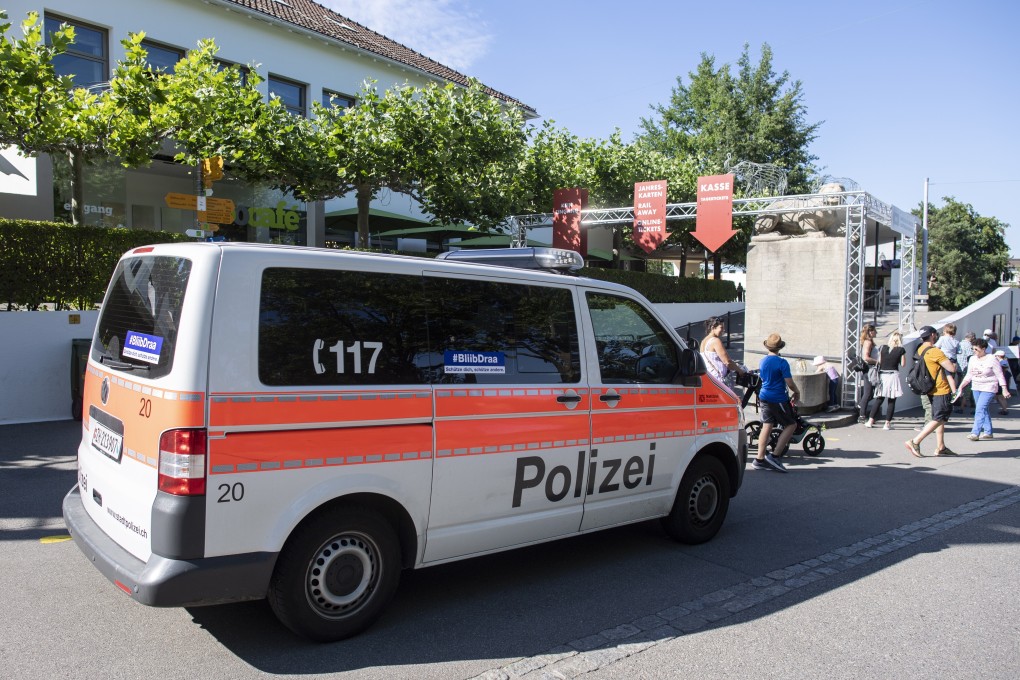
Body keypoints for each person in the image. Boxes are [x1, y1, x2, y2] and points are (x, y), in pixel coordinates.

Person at [905, 326, 959, 458]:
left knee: (939, 418)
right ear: (933, 335)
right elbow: (951, 368)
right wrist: (955, 364)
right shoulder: (935, 352)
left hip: (929, 389)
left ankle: (941, 447)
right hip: (941, 389)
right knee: (940, 417)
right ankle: (915, 441)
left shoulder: (921, 349)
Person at [753, 333, 799, 473]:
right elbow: (789, 383)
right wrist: (797, 392)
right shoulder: (781, 362)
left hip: (764, 395)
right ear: (779, 347)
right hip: (777, 397)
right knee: (791, 424)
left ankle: (759, 459)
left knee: (767, 425)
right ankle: (775, 455)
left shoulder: (763, 361)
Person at [957, 338, 1010, 440]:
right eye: (973, 349)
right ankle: (988, 432)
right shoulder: (972, 359)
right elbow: (969, 375)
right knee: (983, 409)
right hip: (976, 387)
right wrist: (960, 387)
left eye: (976, 349)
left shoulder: (992, 359)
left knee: (980, 409)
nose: (974, 351)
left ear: (984, 349)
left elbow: (999, 375)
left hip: (989, 387)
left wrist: (1004, 389)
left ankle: (975, 433)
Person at [865, 330, 906, 430]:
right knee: (891, 401)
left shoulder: (883, 348)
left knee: (879, 399)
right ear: (900, 340)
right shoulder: (901, 350)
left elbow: (879, 362)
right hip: (893, 376)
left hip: (883, 376)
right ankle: (887, 424)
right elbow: (903, 364)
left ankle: (870, 421)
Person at [700, 316, 746, 386]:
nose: (723, 330)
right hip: (718, 380)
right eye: (721, 327)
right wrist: (740, 371)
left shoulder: (703, 342)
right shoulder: (715, 341)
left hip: (709, 378)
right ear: (713, 328)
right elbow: (727, 362)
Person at [855, 325, 878, 423]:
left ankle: (861, 405)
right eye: (874, 331)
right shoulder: (868, 342)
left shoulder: (868, 342)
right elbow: (866, 357)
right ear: (870, 332)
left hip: (870, 369)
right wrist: (877, 361)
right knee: (868, 392)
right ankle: (862, 415)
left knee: (871, 392)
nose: (876, 333)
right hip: (869, 369)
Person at [957, 331, 977, 413]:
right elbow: (970, 357)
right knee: (968, 388)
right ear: (972, 337)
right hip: (966, 368)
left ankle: (959, 402)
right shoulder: (969, 345)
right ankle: (971, 403)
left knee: (960, 386)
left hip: (959, 368)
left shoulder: (959, 343)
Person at [993, 349, 1012, 414]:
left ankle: (1005, 409)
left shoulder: (1002, 362)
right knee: (1001, 397)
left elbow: (1002, 370)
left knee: (1000, 397)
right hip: (1004, 379)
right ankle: (1004, 409)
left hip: (1001, 380)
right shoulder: (1004, 361)